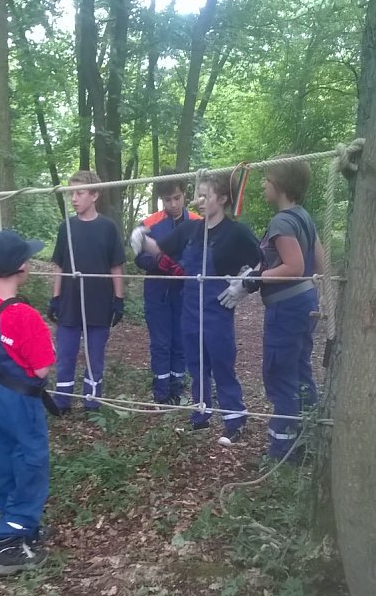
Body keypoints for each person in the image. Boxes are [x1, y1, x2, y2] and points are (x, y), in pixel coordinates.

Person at [131, 171, 260, 443]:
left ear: (223, 198)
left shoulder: (236, 232)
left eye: (205, 195)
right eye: (197, 195)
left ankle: (234, 420)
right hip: (189, 309)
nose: (198, 201)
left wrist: (246, 284)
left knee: (222, 364)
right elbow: (159, 248)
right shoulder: (191, 229)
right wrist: (141, 237)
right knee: (196, 363)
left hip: (217, 311)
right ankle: (201, 414)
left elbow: (263, 260)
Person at [0, 229, 55, 576]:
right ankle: (8, 543)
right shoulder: (26, 316)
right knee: (30, 461)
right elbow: (42, 367)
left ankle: (18, 524)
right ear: (22, 267)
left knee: (2, 457)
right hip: (21, 400)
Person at [221, 160, 323, 460]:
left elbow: (295, 267)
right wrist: (256, 273)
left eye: (266, 179)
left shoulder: (282, 222)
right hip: (305, 303)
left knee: (280, 375)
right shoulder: (304, 217)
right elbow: (318, 265)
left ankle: (282, 454)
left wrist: (255, 279)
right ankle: (308, 442)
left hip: (287, 309)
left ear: (280, 184)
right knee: (300, 372)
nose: (263, 184)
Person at [48, 170, 126, 412]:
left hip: (99, 303)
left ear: (94, 195)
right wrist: (55, 297)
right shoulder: (66, 228)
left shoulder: (108, 228)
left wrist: (118, 300)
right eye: (72, 193)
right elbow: (59, 265)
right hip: (70, 302)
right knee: (66, 354)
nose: (73, 198)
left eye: (79, 193)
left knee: (95, 357)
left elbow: (116, 266)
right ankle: (62, 401)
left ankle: (92, 401)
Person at [134, 171, 199, 404]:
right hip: (157, 290)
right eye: (167, 199)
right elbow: (138, 256)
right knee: (161, 341)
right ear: (161, 199)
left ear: (184, 195)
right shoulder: (149, 223)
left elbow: (205, 255)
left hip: (186, 291)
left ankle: (177, 389)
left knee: (181, 339)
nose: (172, 204)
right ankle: (161, 392)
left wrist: (183, 266)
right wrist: (157, 262)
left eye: (177, 197)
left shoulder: (197, 222)